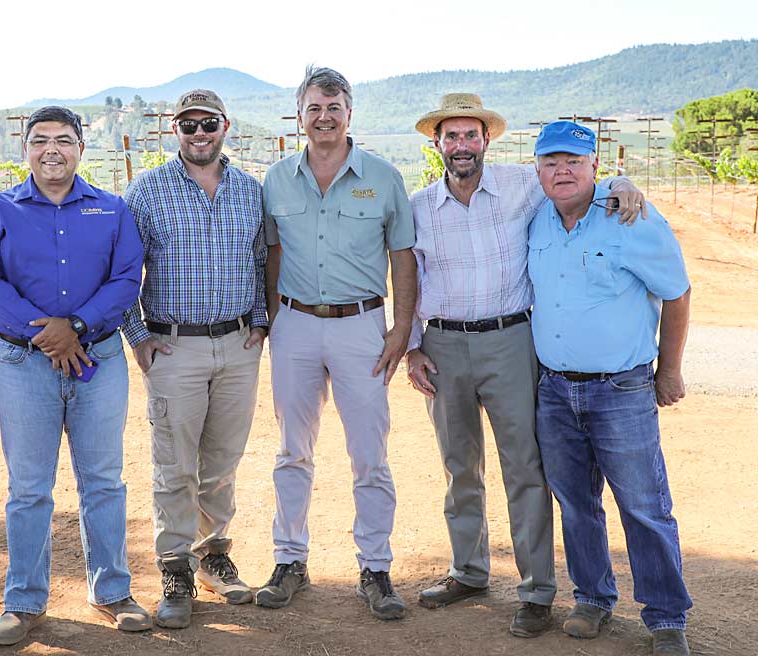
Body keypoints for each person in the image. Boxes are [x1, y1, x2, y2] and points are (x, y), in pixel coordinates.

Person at [405, 94, 647, 638]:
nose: (461, 145)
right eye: (451, 136)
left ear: (486, 140)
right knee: (458, 466)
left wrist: (619, 184)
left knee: (525, 468)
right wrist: (412, 347)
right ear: (437, 143)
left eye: (471, 135)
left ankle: (537, 590)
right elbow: (407, 278)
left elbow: (575, 182)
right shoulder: (417, 205)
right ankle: (468, 571)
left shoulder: (520, 186)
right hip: (441, 345)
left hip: (511, 340)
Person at [0, 106, 150, 644]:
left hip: (99, 360)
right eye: (41, 140)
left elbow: (126, 278)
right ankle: (23, 601)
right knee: (28, 488)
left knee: (103, 482)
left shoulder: (112, 210)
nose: (52, 149)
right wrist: (49, 332)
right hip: (24, 364)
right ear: (26, 149)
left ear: (80, 150)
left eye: (64, 140)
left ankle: (112, 591)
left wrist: (77, 325)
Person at [256, 66, 417, 621]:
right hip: (295, 325)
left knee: (369, 454)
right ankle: (289, 561)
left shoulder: (383, 176)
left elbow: (402, 255)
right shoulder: (276, 179)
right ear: (299, 115)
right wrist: (274, 320)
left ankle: (375, 567)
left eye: (334, 107)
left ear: (350, 114)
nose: (324, 117)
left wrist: (401, 329)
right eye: (313, 108)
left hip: (362, 327)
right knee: (292, 451)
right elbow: (273, 255)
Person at [528, 121, 692, 656]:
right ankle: (593, 598)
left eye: (574, 161)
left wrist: (669, 370)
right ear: (537, 170)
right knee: (575, 503)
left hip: (621, 390)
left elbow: (677, 292)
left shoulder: (630, 216)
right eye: (551, 162)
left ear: (594, 166)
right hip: (554, 390)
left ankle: (666, 617)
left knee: (643, 505)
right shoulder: (536, 222)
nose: (563, 171)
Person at [121, 89, 267, 628]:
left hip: (237, 346)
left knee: (222, 462)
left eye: (208, 123)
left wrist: (260, 320)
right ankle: (175, 567)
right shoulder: (147, 191)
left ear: (225, 126)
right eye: (189, 125)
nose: (199, 133)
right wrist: (137, 335)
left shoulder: (250, 191)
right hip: (173, 344)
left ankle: (213, 556)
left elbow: (259, 260)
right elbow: (122, 270)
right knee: (174, 465)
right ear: (174, 130)